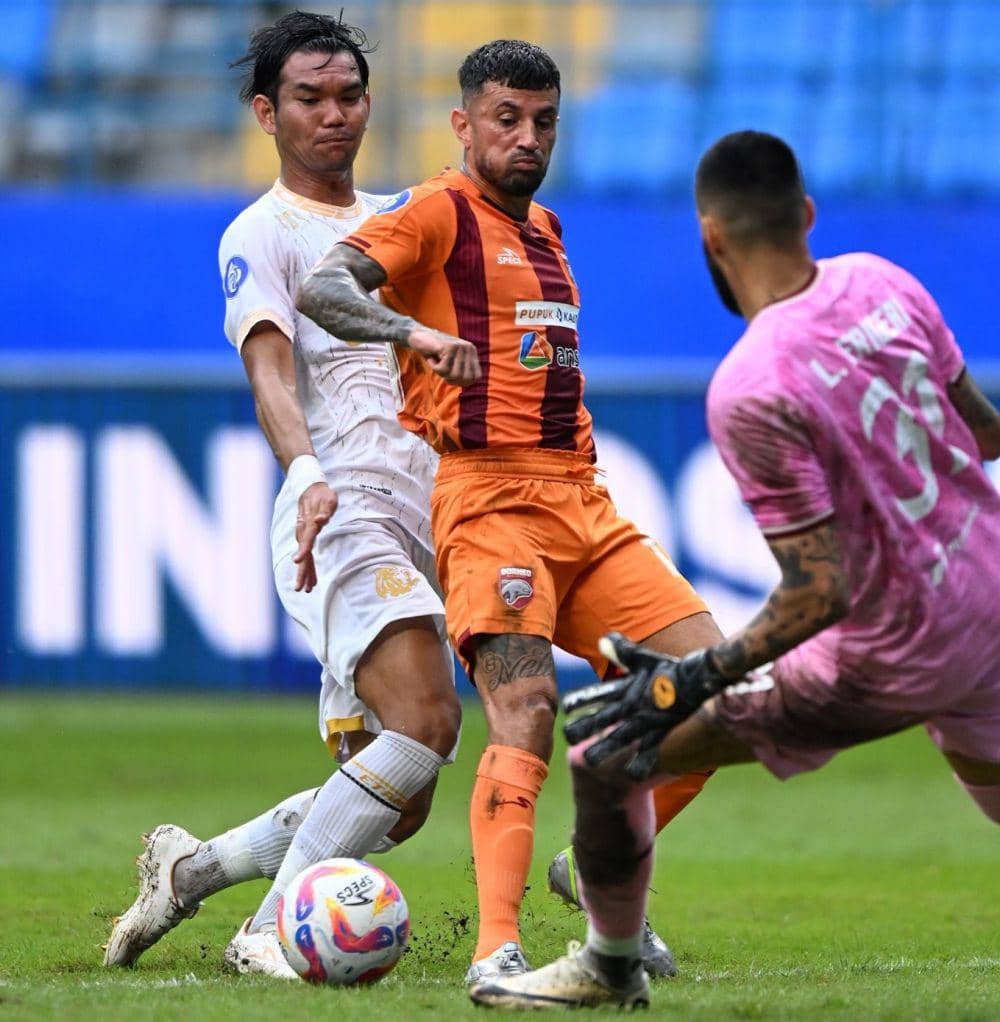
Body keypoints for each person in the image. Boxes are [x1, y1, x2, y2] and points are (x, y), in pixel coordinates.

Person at [469, 129, 1000, 1010]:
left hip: (896, 647)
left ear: (710, 237)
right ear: (809, 215)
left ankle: (607, 963)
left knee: (609, 753)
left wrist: (690, 679)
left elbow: (819, 589)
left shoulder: (752, 384)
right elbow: (981, 433)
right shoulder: (884, 282)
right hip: (987, 601)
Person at [294, 39, 724, 988]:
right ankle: (497, 952)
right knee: (525, 710)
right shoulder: (436, 210)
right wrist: (411, 330)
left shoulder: (550, 228)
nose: (526, 139)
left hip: (583, 501)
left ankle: (594, 861)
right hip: (490, 501)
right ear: (464, 124)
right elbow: (323, 288)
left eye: (544, 123)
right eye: (506, 120)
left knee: (719, 694)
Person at [103, 11, 473, 979]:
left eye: (349, 95)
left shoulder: (405, 219)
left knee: (402, 789)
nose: (334, 114)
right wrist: (306, 475)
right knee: (430, 721)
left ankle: (192, 869)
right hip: (339, 511)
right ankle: (266, 926)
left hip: (426, 508)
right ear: (266, 111)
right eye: (309, 97)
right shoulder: (259, 232)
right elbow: (270, 373)